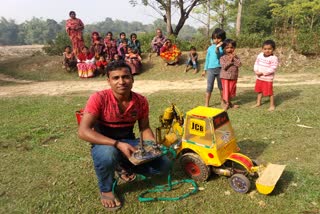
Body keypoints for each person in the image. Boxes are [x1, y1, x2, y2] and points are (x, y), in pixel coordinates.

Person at [78, 61, 170, 210]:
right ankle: (106, 189)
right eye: (116, 78)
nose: (121, 82)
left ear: (132, 79)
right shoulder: (99, 98)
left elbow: (144, 128)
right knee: (108, 154)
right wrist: (117, 144)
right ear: (109, 81)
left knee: (164, 164)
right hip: (105, 143)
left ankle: (123, 166)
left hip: (129, 141)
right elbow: (83, 131)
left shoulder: (140, 101)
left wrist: (152, 145)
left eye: (126, 77)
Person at [201, 28, 226, 107]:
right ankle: (207, 103)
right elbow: (207, 59)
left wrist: (218, 47)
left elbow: (218, 55)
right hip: (211, 69)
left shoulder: (224, 48)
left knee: (221, 87)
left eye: (218, 38)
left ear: (222, 38)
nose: (216, 40)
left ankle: (222, 101)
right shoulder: (210, 48)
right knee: (209, 86)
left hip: (220, 69)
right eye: (214, 38)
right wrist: (204, 70)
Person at [252, 40, 279, 111]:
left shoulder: (274, 58)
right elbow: (256, 63)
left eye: (269, 49)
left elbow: (273, 68)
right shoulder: (260, 55)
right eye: (265, 49)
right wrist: (256, 71)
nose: (267, 50)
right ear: (262, 49)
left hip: (268, 79)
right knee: (259, 91)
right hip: (259, 78)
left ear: (273, 49)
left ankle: (272, 105)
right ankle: (258, 103)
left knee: (270, 92)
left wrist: (263, 73)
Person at [219, 39, 241, 111]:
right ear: (224, 49)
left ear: (234, 48)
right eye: (227, 48)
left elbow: (239, 64)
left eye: (231, 47)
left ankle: (229, 103)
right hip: (225, 77)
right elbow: (224, 66)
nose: (229, 49)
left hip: (234, 76)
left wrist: (234, 58)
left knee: (231, 91)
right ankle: (227, 104)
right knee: (226, 91)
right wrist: (230, 60)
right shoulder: (222, 58)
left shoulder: (236, 57)